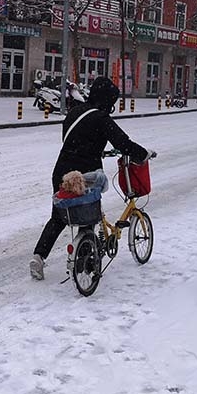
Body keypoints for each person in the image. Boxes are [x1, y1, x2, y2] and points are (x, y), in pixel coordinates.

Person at [31, 76, 150, 280]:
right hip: (86, 175)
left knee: (59, 216)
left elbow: (76, 140)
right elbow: (123, 143)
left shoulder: (75, 112)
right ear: (106, 100)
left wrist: (95, 150)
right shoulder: (101, 119)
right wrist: (143, 154)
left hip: (62, 170)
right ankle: (84, 261)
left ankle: (38, 257)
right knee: (87, 217)